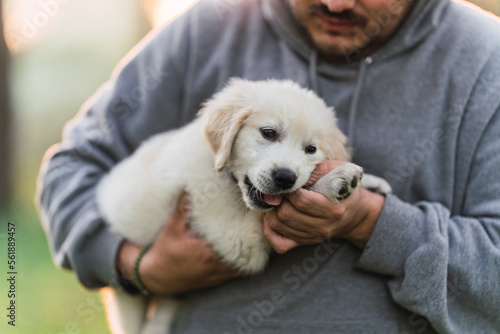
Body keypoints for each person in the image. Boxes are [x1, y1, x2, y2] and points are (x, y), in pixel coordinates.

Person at [36, 0, 500, 333]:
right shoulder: (208, 27)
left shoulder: (485, 61)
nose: (335, 3)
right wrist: (137, 266)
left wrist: (372, 222)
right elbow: (69, 169)